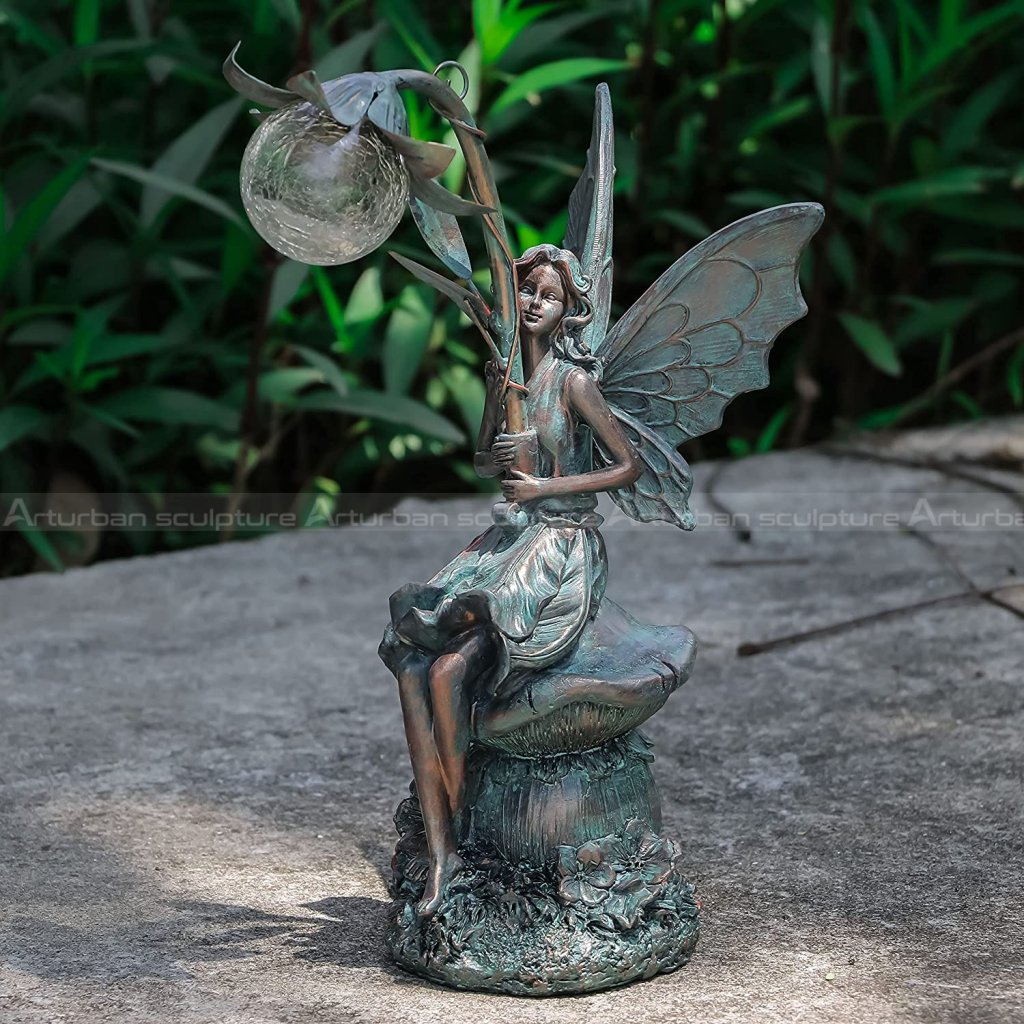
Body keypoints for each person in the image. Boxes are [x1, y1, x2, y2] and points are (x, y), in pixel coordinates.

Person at [378, 243, 642, 916]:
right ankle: (441, 852)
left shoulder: (575, 382)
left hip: (559, 546)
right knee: (412, 662)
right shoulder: (507, 376)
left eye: (549, 296)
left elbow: (626, 467)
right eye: (527, 290)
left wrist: (544, 482)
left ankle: (461, 830)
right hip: (508, 539)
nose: (534, 303)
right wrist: (499, 436)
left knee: (445, 674)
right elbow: (480, 461)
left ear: (568, 310)